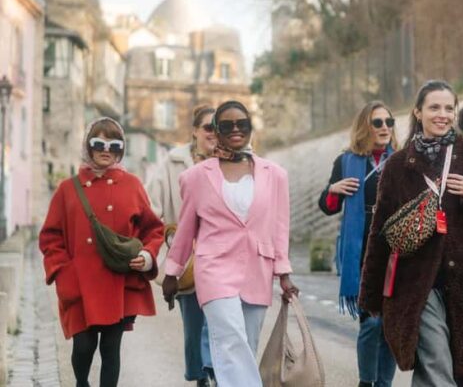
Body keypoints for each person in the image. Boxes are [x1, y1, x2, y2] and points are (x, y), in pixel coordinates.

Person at [359, 80, 463, 387]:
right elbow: (380, 233)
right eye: (434, 107)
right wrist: (371, 295)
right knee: (435, 360)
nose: (443, 114)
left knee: (454, 372)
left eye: (449, 108)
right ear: (418, 112)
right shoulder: (398, 165)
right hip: (417, 285)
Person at [162, 100, 299, 387]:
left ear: (251, 128)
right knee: (229, 341)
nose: (236, 129)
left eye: (242, 124)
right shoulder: (196, 177)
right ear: (216, 130)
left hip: (257, 269)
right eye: (227, 125)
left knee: (245, 345)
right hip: (214, 269)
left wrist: (284, 273)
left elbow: (279, 227)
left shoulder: (275, 175)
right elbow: (186, 227)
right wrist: (172, 272)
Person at [40, 117, 165, 387]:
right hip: (79, 283)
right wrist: (62, 271)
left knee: (111, 348)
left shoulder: (132, 185)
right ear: (88, 145)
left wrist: (147, 256)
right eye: (98, 143)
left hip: (117, 283)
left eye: (114, 144)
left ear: (121, 148)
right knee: (82, 347)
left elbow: (154, 229)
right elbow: (50, 236)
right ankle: (81, 383)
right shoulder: (67, 188)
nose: (105, 149)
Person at [319, 101, 399, 387]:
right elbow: (327, 206)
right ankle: (367, 382)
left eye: (389, 122)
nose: (385, 128)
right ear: (365, 126)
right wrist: (333, 190)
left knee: (389, 325)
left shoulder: (402, 160)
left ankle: (384, 383)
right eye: (378, 123)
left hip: (394, 250)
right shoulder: (346, 161)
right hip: (361, 251)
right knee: (372, 323)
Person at [147, 104, 216, 386]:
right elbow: (152, 210)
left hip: (222, 256)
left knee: (219, 321)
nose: (214, 133)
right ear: (195, 132)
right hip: (187, 259)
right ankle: (201, 377)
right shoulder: (172, 163)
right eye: (209, 127)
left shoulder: (231, 160)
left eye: (218, 127)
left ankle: (214, 373)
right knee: (194, 326)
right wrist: (162, 250)